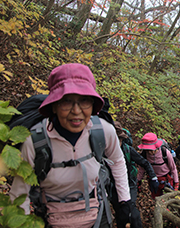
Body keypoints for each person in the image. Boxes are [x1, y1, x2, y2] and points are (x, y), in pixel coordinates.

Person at [9, 63, 131, 228]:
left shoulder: (103, 130)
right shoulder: (35, 141)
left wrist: (124, 202)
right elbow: (19, 194)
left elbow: (117, 161)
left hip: (97, 215)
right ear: (54, 105)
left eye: (84, 101)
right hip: (51, 219)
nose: (76, 111)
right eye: (66, 101)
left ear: (93, 104)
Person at [111, 122, 159, 228]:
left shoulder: (128, 150)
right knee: (120, 213)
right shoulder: (105, 151)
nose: (115, 143)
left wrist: (153, 177)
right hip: (113, 187)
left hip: (129, 184)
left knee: (131, 211)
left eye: (118, 140)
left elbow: (144, 162)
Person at [137, 133, 179, 199]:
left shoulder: (165, 153)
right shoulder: (144, 154)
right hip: (153, 180)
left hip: (166, 178)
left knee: (167, 198)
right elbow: (141, 169)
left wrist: (176, 182)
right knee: (156, 198)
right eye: (147, 150)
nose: (149, 152)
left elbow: (173, 168)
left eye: (151, 150)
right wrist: (138, 180)